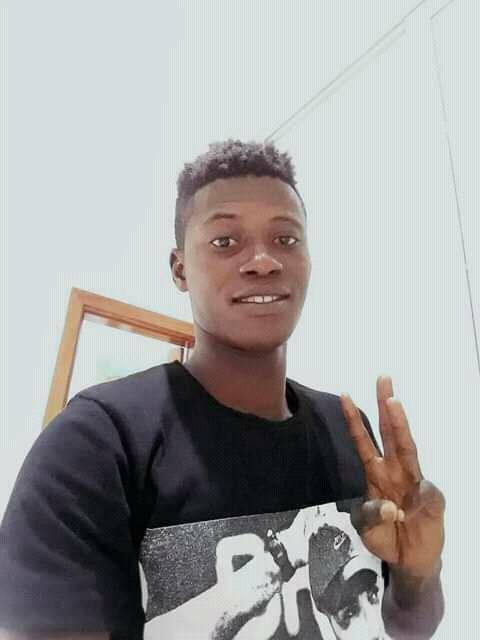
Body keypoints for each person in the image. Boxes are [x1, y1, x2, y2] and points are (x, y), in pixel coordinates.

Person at [0, 139, 445, 639]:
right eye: (225, 241)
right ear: (179, 269)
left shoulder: (347, 429)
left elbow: (403, 627)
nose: (263, 261)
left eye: (286, 239)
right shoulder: (95, 444)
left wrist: (419, 572)